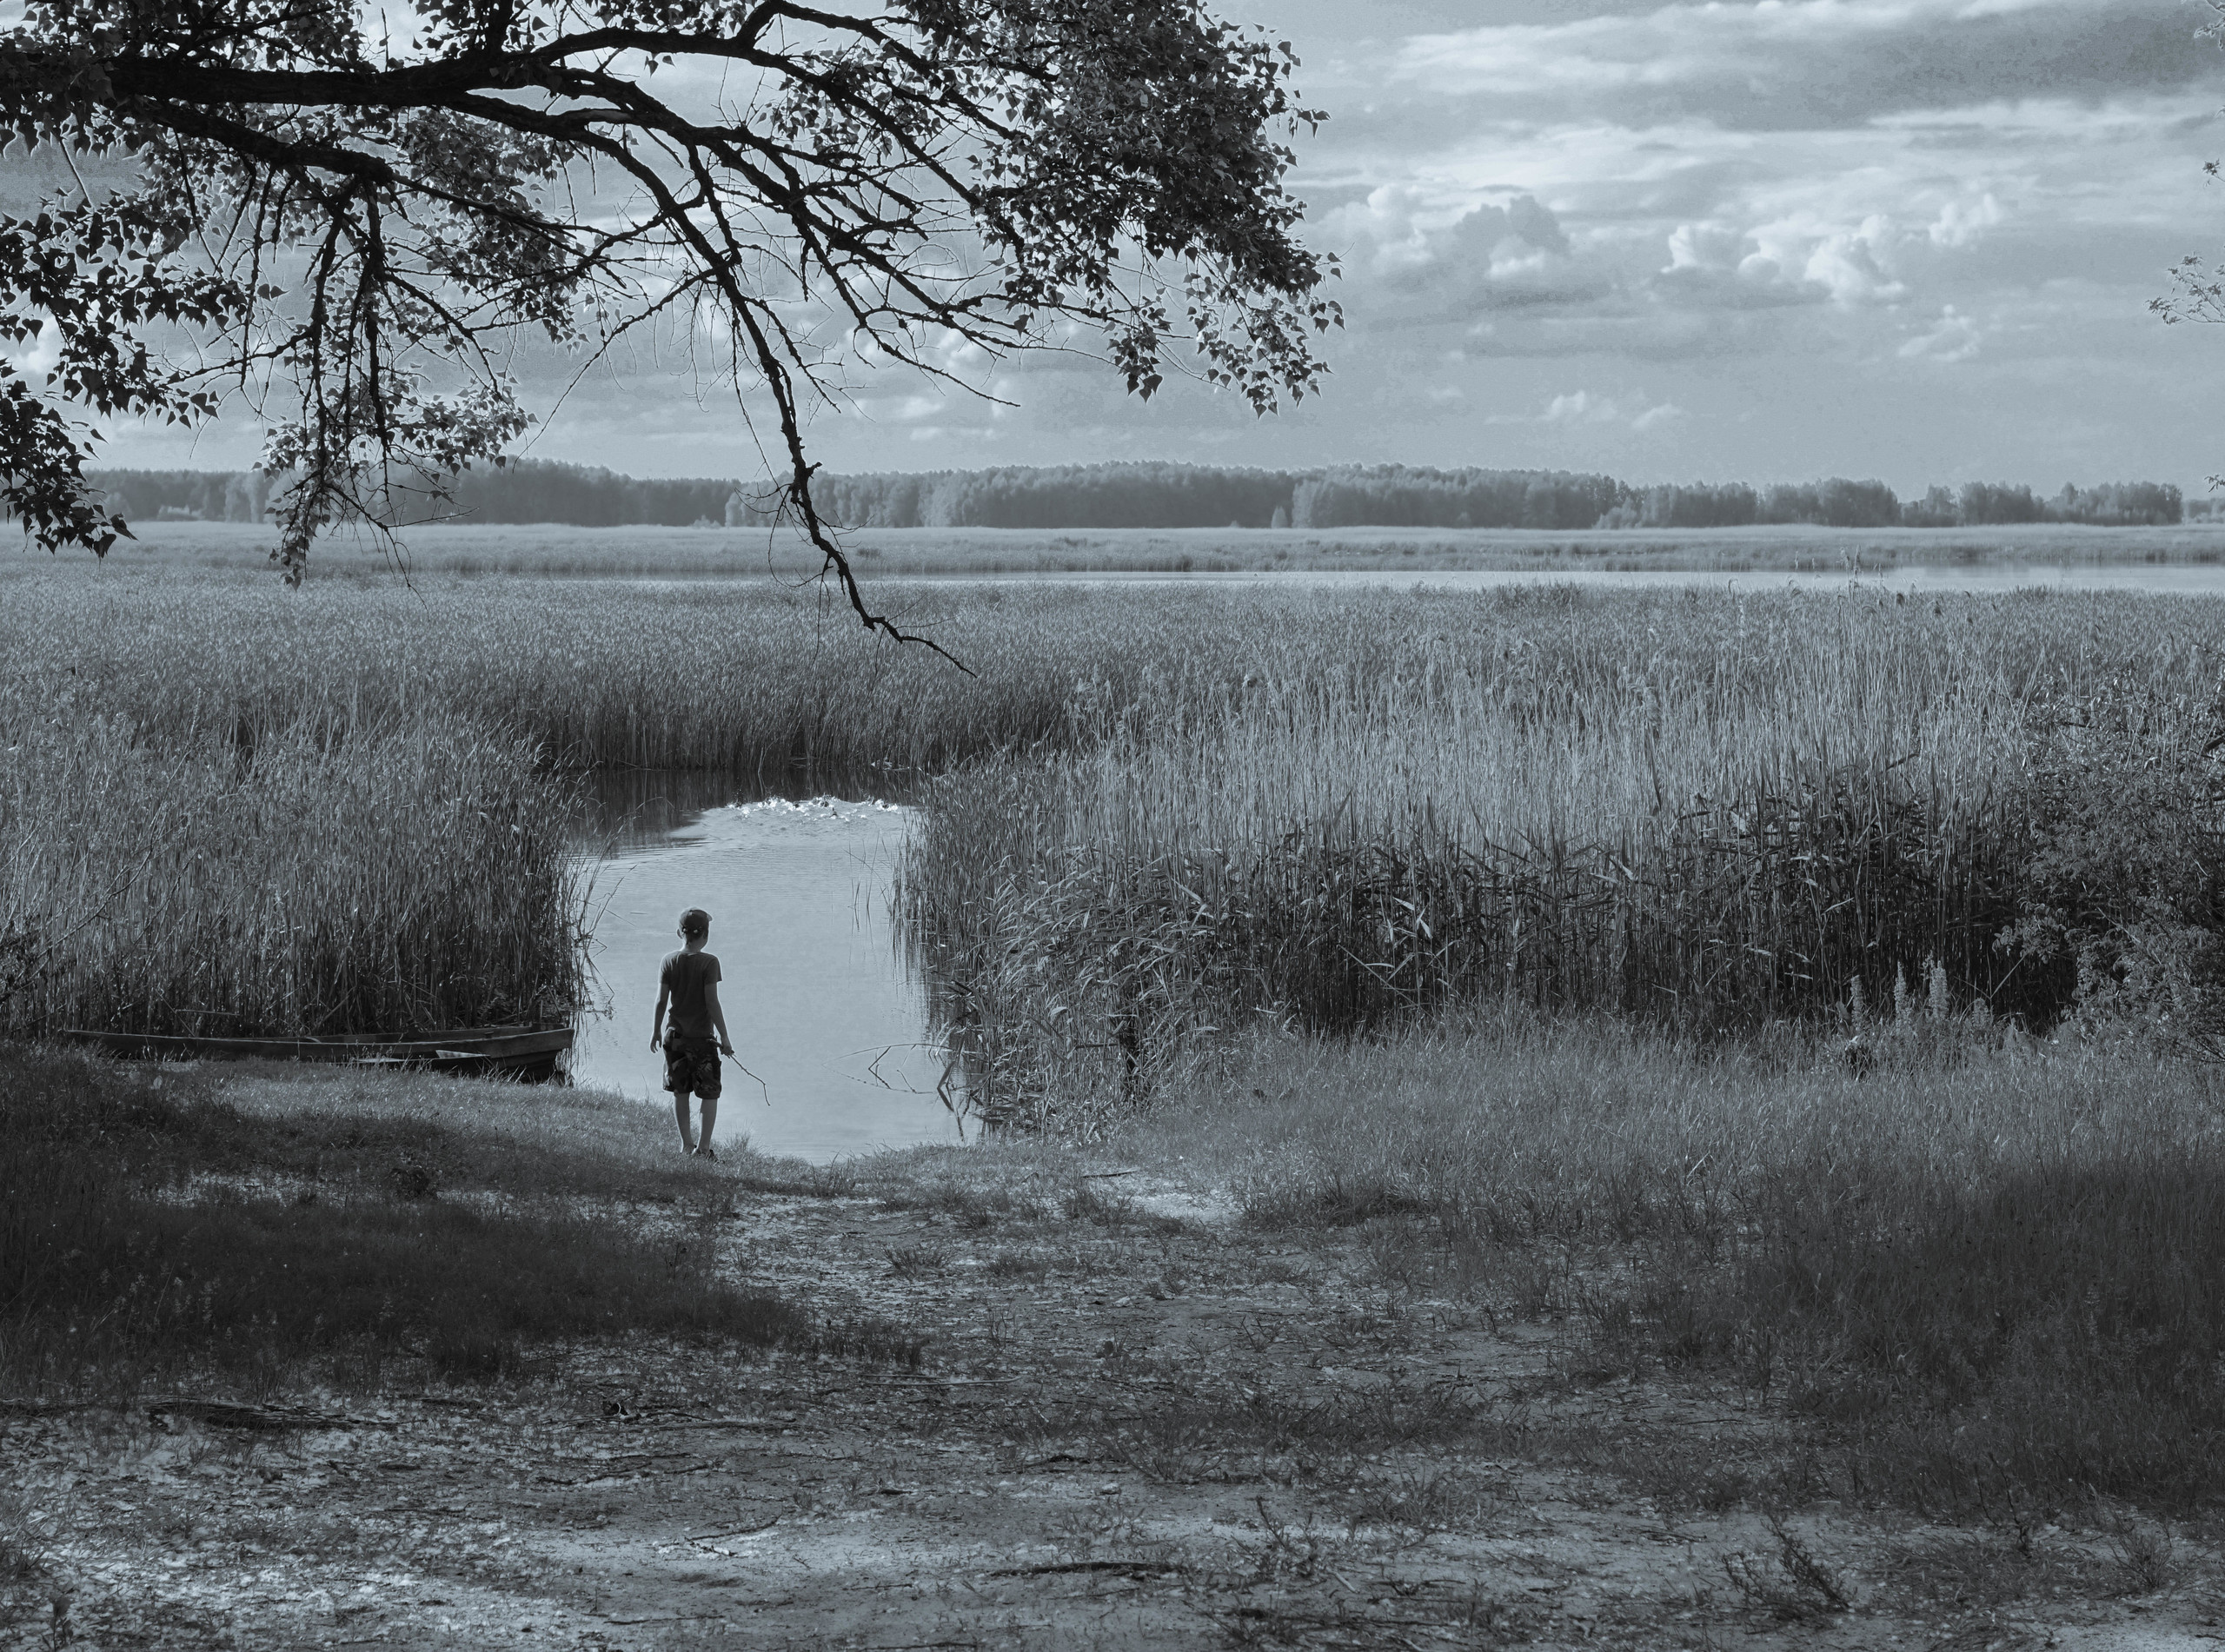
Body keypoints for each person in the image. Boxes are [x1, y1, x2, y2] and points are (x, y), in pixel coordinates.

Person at [651, 907, 734, 1159]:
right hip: (701, 1039)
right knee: (710, 1093)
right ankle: (703, 1148)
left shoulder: (668, 960)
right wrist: (725, 1036)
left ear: (679, 933)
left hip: (673, 1037)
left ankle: (686, 1145)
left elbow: (661, 1001)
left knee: (681, 1091)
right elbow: (712, 1002)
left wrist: (655, 1030)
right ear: (706, 936)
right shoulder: (709, 962)